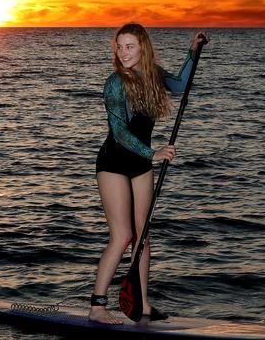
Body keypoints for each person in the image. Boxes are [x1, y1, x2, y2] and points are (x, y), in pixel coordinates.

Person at [89, 23, 209, 324]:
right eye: (119, 46)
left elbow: (181, 85)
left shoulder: (153, 74)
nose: (123, 52)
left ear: (142, 47)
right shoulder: (114, 83)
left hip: (140, 164)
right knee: (123, 236)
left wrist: (192, 52)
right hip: (114, 162)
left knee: (142, 238)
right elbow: (119, 132)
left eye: (129, 46)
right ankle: (97, 305)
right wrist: (152, 154)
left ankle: (141, 304)